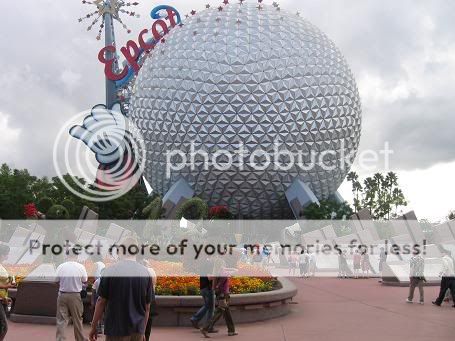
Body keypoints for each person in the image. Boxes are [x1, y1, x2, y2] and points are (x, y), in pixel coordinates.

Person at [89, 237, 153, 341]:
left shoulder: (110, 271)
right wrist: (142, 331)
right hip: (137, 330)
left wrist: (93, 326)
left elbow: (101, 301)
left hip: (116, 329)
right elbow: (147, 307)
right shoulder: (146, 273)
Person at [56, 247, 88, 341]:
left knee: (62, 320)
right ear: (76, 255)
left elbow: (56, 280)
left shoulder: (61, 266)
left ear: (67, 255)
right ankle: (80, 339)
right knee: (77, 319)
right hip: (75, 295)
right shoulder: (80, 267)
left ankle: (60, 339)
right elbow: (85, 280)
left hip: (62, 295)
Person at [200, 259, 237, 338]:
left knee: (227, 313)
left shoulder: (216, 271)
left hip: (219, 294)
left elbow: (214, 286)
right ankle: (205, 328)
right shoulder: (223, 272)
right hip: (223, 294)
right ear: (222, 264)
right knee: (219, 312)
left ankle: (231, 330)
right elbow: (234, 271)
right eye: (224, 262)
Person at [190, 258, 216, 332]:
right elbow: (210, 277)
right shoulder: (209, 264)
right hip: (208, 288)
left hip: (203, 288)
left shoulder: (203, 263)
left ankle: (205, 325)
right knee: (210, 307)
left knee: (208, 306)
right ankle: (197, 320)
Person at [0, 244, 14, 341]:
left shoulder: (2, 266)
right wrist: (7, 286)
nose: (8, 256)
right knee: (3, 326)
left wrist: (5, 297)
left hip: (2, 299)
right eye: (7, 254)